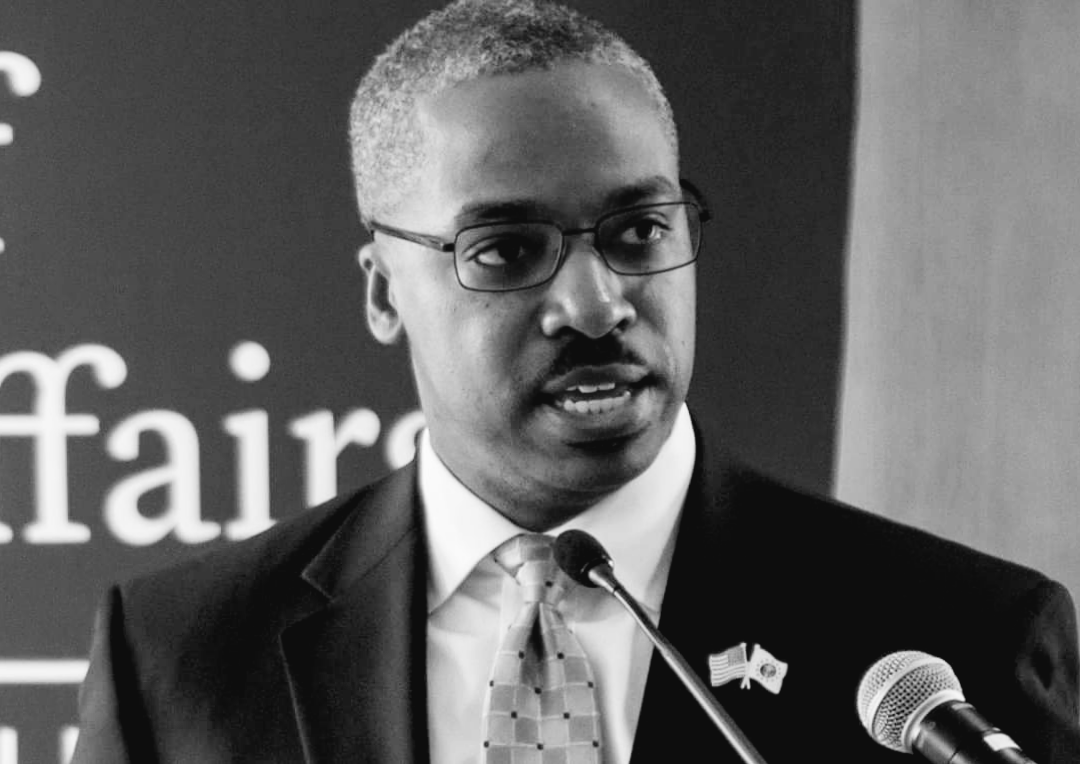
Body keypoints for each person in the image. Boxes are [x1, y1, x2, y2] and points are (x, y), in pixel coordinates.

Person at [71, 1, 1080, 762]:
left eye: (640, 232)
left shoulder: (953, 645)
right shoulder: (179, 661)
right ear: (383, 291)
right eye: (508, 250)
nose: (596, 306)